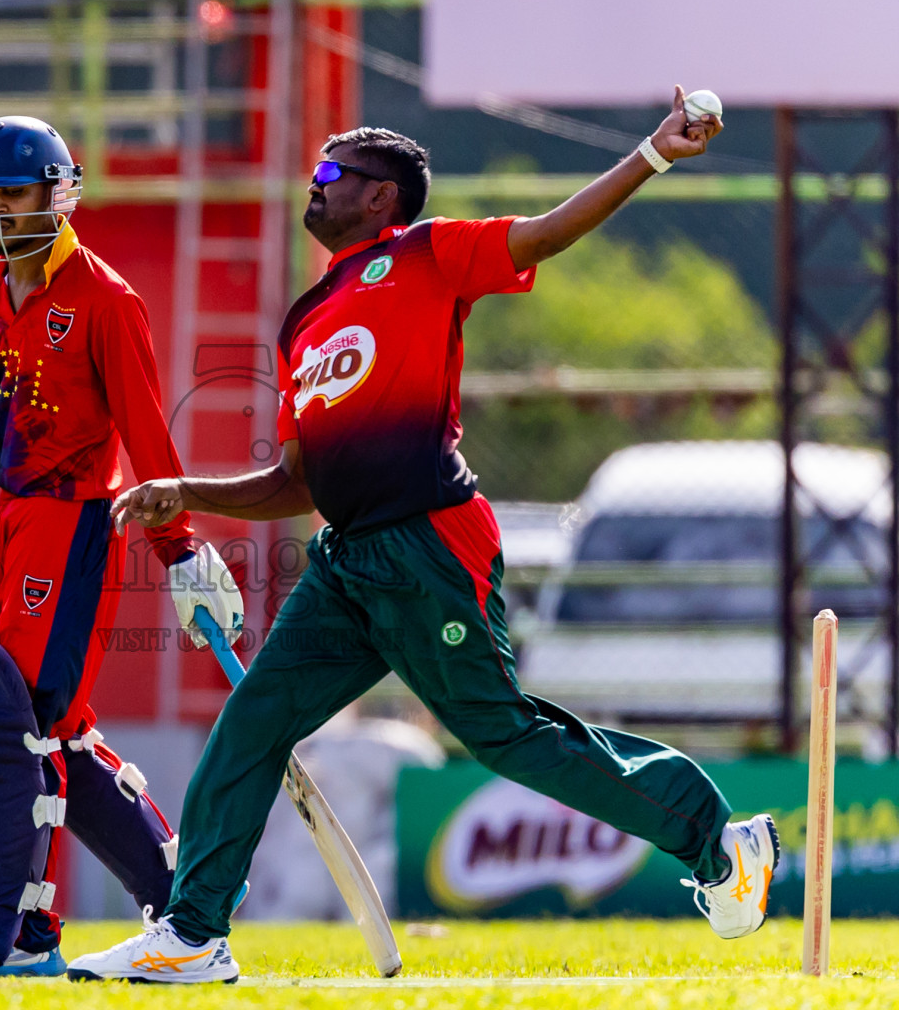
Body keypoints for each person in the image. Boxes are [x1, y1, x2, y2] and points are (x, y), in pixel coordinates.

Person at [68, 88, 776, 985]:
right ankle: (193, 932)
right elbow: (296, 481)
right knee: (252, 726)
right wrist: (185, 492)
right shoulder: (303, 322)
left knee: (504, 735)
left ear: (381, 197)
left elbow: (549, 234)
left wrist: (654, 153)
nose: (313, 187)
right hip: (348, 563)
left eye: (333, 174)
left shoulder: (428, 255)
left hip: (429, 545)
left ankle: (718, 838)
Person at [0, 115, 244, 978]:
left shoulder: (107, 300)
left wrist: (184, 552)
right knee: (59, 734)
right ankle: (190, 906)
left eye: (12, 193)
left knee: (14, 726)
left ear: (58, 193)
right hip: (11, 522)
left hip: (78, 523)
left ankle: (14, 939)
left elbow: (151, 440)